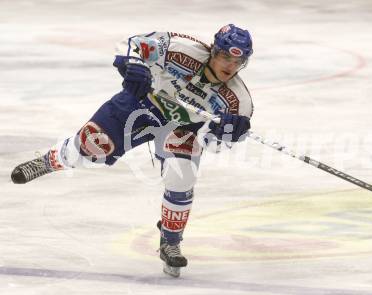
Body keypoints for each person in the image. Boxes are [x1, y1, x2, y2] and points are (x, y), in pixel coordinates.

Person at [10, 24, 254, 277]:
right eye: (226, 56)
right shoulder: (181, 48)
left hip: (181, 129)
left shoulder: (238, 102)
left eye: (239, 61)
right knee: (91, 147)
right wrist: (134, 65)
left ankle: (170, 240)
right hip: (139, 105)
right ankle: (51, 161)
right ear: (213, 50)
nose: (230, 66)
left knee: (182, 176)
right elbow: (132, 44)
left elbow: (214, 145)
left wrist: (225, 133)